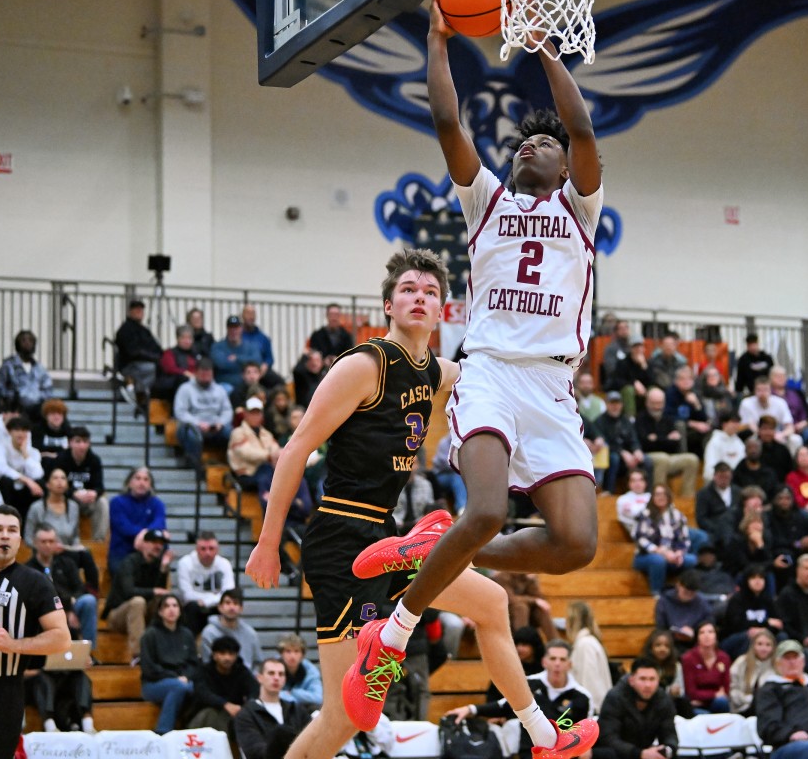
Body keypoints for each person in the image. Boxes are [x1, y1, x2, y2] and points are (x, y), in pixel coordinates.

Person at [350, 14, 608, 751]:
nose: (536, 145)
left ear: (564, 169)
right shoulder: (487, 201)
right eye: (527, 140)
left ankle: (432, 545)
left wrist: (551, 52)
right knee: (490, 508)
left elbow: (584, 132)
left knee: (575, 544)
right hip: (492, 372)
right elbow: (445, 117)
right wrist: (436, 45)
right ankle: (393, 634)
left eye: (547, 144)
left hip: (553, 390)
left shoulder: (579, 209)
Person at [245, 248, 595, 758]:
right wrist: (269, 540)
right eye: (408, 289)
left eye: (430, 293)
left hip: (390, 539)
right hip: (341, 537)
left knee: (493, 604)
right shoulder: (365, 365)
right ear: (388, 304)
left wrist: (554, 357)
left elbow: (495, 374)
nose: (419, 297)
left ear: (440, 313)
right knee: (343, 718)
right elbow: (297, 447)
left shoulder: (434, 370)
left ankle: (544, 737)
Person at [0, 505, 72, 759]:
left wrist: (14, 645)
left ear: (20, 539)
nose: (5, 535)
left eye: (12, 530)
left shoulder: (34, 582)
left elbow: (61, 638)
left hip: (3, 691)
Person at [446, 639, 594, 753]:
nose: (557, 664)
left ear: (569, 664)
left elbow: (587, 732)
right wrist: (470, 709)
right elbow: (503, 705)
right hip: (529, 753)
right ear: (544, 662)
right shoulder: (529, 684)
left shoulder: (582, 696)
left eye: (562, 660)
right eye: (553, 658)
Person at [25, 523, 98, 648]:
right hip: (45, 612)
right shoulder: (28, 569)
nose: (48, 545)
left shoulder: (67, 563)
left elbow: (79, 588)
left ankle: (88, 652)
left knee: (89, 601)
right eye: (43, 541)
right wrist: (62, 612)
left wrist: (70, 608)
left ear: (56, 543)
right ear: (35, 543)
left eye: (51, 541)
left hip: (70, 605)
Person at [104, 528, 172, 661]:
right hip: (117, 614)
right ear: (144, 544)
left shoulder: (159, 564)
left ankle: (166, 650)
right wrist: (153, 591)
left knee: (165, 602)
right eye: (154, 542)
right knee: (138, 601)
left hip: (143, 613)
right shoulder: (129, 562)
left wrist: (164, 569)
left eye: (161, 543)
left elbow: (161, 591)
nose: (158, 546)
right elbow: (128, 591)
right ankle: (139, 655)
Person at [595, 658, 680, 759]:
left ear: (658, 680)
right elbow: (607, 738)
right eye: (643, 679)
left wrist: (667, 750)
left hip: (643, 752)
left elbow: (670, 734)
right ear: (631, 680)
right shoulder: (615, 697)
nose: (648, 685)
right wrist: (640, 754)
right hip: (615, 754)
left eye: (652, 679)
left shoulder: (663, 700)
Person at [139, 591, 198, 734]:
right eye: (166, 606)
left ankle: (193, 733)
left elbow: (194, 664)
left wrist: (186, 677)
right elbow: (149, 669)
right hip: (153, 684)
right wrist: (174, 677)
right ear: (160, 611)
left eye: (175, 605)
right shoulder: (150, 635)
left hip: (184, 681)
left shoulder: (187, 634)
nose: (171, 609)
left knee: (198, 689)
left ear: (180, 610)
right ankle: (163, 732)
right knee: (178, 687)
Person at [235, 657, 312, 759]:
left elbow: (313, 742)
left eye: (281, 674)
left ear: (285, 679)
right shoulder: (246, 714)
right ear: (259, 678)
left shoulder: (296, 709)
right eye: (271, 673)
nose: (276, 678)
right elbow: (254, 752)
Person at [632, 483, 697, 594]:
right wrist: (661, 552)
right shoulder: (645, 515)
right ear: (652, 497)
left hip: (672, 555)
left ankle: (683, 593)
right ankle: (657, 593)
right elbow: (640, 539)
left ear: (669, 496)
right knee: (658, 560)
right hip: (646, 556)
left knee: (692, 560)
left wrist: (679, 553)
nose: (660, 497)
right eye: (657, 494)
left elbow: (684, 540)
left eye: (664, 494)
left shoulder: (678, 515)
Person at [188, 634, 259, 733]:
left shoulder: (242, 671)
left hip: (234, 714)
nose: (227, 658)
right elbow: (203, 693)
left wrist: (246, 707)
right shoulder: (203, 671)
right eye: (222, 653)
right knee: (213, 714)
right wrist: (224, 704)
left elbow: (254, 690)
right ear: (214, 655)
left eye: (231, 654)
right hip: (204, 714)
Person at [52, 427, 108, 542]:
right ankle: (70, 540)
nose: (82, 445)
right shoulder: (61, 459)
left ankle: (99, 541)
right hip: (68, 499)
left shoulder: (94, 460)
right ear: (70, 443)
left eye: (85, 442)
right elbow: (55, 485)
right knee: (70, 503)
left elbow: (100, 486)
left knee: (102, 502)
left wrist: (94, 493)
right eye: (78, 441)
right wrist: (73, 493)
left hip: (88, 500)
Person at [107, 466, 167, 573]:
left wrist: (143, 534)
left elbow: (159, 523)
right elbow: (125, 528)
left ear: (150, 485)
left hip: (149, 553)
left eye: (146, 479)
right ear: (129, 483)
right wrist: (146, 534)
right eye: (137, 478)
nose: (141, 483)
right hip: (123, 552)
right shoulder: (116, 502)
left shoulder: (157, 504)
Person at [177, 531, 236, 635]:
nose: (207, 553)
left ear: (217, 550)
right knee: (192, 607)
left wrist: (206, 601)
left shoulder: (224, 564)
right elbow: (187, 595)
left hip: (216, 608)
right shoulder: (185, 563)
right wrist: (216, 598)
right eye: (203, 549)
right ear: (196, 549)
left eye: (211, 548)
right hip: (193, 609)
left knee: (229, 606)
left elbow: (229, 593)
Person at [0, 415, 44, 520]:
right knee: (6, 481)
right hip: (6, 490)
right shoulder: (1, 447)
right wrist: (26, 480)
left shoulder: (33, 452)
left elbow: (38, 474)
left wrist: (25, 453)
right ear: (10, 432)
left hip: (25, 492)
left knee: (40, 483)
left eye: (24, 430)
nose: (20, 433)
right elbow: (1, 469)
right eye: (17, 430)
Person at [564, 600, 611, 713]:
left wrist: (589, 711)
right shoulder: (587, 642)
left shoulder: (585, 644)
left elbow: (590, 681)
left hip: (591, 711)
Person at [201, 588, 264, 670]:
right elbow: (207, 663)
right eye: (227, 603)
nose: (231, 607)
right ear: (220, 607)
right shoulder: (209, 633)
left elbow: (258, 663)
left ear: (241, 609)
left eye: (235, 603)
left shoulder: (250, 633)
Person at [0, 330, 54, 420]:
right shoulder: (8, 366)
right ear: (17, 344)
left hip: (36, 410)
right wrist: (13, 396)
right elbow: (0, 387)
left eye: (30, 340)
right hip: (15, 408)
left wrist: (38, 397)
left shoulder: (40, 368)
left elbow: (48, 389)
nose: (27, 343)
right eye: (23, 340)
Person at [115, 299, 163, 401]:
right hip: (130, 365)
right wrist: (153, 357)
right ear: (130, 311)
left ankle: (144, 393)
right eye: (136, 310)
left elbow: (156, 348)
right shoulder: (125, 330)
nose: (139, 312)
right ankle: (139, 393)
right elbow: (132, 352)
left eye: (141, 310)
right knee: (151, 368)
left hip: (144, 362)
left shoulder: (144, 330)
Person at [654, 570, 714, 650]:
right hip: (671, 644)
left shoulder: (701, 602)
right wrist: (674, 635)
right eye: (685, 592)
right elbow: (661, 628)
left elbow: (709, 620)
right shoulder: (665, 601)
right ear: (678, 585)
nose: (688, 596)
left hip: (695, 644)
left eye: (692, 594)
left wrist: (695, 631)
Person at [679, 621, 730, 714]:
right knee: (703, 714)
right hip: (695, 705)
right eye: (702, 632)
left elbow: (725, 689)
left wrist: (705, 697)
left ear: (716, 636)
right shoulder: (688, 658)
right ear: (697, 637)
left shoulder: (724, 658)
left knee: (722, 702)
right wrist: (714, 694)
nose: (706, 635)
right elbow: (691, 692)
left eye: (710, 632)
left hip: (716, 702)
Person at [493, 571, 558, 641]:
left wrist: (532, 581)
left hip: (526, 614)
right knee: (521, 607)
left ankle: (556, 643)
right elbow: (510, 598)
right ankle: (523, 641)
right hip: (504, 611)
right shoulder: (502, 577)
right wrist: (534, 601)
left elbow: (538, 597)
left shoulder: (526, 577)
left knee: (541, 609)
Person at [729, 627, 776, 716]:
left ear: (773, 647)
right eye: (760, 644)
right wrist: (748, 700)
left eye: (768, 645)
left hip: (768, 712)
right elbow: (733, 689)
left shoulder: (777, 666)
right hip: (741, 709)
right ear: (753, 645)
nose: (763, 648)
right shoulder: (741, 662)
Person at [276, 633, 322, 710]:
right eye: (288, 651)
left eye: (296, 651)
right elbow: (266, 694)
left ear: (302, 655)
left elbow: (318, 698)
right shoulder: (272, 667)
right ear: (281, 654)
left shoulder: (311, 671)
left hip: (303, 711)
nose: (292, 656)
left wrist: (293, 692)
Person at [309, 304, 355, 368]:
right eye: (331, 315)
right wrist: (323, 361)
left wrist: (337, 360)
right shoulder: (317, 335)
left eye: (336, 315)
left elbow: (350, 355)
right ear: (327, 316)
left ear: (340, 316)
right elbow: (312, 354)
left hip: (341, 369)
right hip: (320, 371)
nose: (334, 318)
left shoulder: (347, 336)